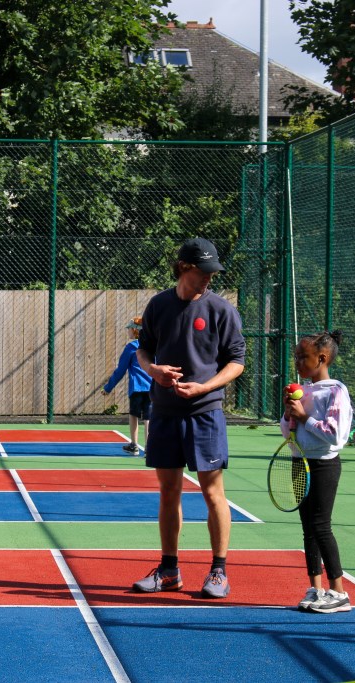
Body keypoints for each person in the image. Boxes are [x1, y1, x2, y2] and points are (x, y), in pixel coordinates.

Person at [131, 237, 245, 599]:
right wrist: (155, 371)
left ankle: (218, 572)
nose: (209, 279)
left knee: (214, 493)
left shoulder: (221, 310)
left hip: (205, 414)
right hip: (164, 412)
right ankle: (169, 570)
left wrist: (204, 388)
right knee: (169, 492)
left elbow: (237, 362)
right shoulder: (158, 305)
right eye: (203, 272)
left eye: (213, 272)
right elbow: (143, 351)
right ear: (184, 268)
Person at [282, 331, 353, 614]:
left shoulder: (336, 391)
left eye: (304, 357)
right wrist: (289, 416)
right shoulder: (304, 391)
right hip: (300, 462)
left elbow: (335, 436)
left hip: (324, 464)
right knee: (307, 528)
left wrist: (304, 417)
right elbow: (286, 432)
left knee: (321, 525)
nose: (298, 362)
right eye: (296, 357)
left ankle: (339, 592)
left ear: (322, 358)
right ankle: (316, 588)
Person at [102, 316, 152, 454]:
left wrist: (108, 388)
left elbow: (120, 370)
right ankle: (148, 447)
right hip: (151, 387)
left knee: (134, 414)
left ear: (136, 331)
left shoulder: (131, 348)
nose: (128, 331)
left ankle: (134, 445)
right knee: (148, 417)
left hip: (136, 388)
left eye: (129, 329)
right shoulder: (153, 346)